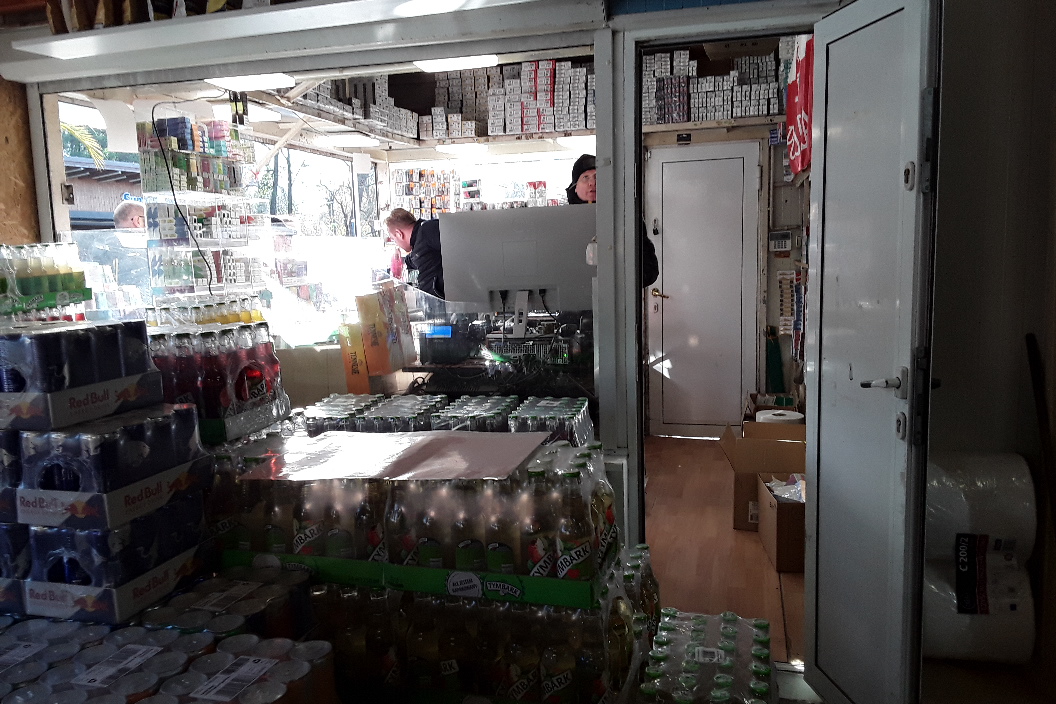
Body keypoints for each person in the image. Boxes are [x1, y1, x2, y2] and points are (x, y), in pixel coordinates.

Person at [565, 154, 659, 287]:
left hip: (616, 295)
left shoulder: (625, 218)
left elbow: (648, 271)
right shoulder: (564, 223)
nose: (592, 183)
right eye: (585, 178)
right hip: (575, 295)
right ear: (575, 187)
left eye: (597, 177)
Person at [385, 208, 444, 299]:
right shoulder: (419, 240)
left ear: (399, 234)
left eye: (394, 239)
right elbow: (418, 257)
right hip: (437, 302)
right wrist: (400, 263)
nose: (397, 244)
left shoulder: (427, 230)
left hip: (447, 302)